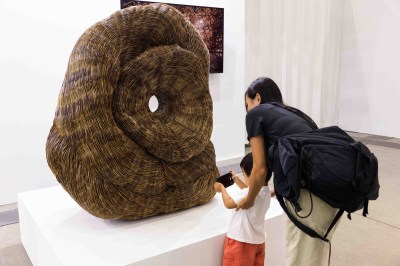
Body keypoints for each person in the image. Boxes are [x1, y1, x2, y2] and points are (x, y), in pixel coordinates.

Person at [236, 76, 341, 266]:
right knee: (314, 257)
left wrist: (249, 200)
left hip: (310, 200)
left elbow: (260, 169)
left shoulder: (255, 114)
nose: (247, 110)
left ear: (257, 98)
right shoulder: (295, 114)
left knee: (300, 258)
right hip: (331, 195)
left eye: (247, 104)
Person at [214, 152, 275, 266]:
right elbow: (251, 192)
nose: (243, 175)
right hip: (258, 243)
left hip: (240, 243)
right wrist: (237, 181)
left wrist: (222, 188)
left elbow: (228, 204)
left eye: (244, 173)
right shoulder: (266, 191)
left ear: (254, 174)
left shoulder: (248, 193)